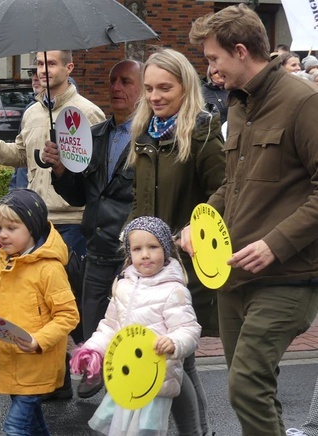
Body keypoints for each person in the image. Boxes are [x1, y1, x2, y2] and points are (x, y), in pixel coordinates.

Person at [187, 4, 318, 434]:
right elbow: (233, 184)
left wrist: (275, 244)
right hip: (233, 278)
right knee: (254, 389)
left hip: (288, 277)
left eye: (213, 59)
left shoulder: (304, 102)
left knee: (245, 386)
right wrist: (198, 223)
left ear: (241, 51)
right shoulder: (237, 105)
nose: (211, 70)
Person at [0, 50, 104, 399]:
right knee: (37, 303)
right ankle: (55, 382)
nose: (42, 70)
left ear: (69, 68)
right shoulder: (31, 112)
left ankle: (90, 363)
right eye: (40, 64)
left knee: (69, 300)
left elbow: (97, 173)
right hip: (36, 223)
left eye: (51, 64)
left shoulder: (86, 112)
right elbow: (18, 156)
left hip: (72, 222)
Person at [126, 48, 224, 436]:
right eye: (148, 88)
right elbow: (140, 201)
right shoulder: (143, 133)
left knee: (181, 362)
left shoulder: (201, 131)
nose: (155, 96)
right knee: (175, 364)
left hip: (188, 267)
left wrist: (190, 232)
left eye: (165, 87)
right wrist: (131, 246)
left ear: (186, 86)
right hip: (149, 264)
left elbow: (224, 192)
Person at [43, 59, 142, 399]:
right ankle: (96, 369)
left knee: (132, 324)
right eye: (113, 80)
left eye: (126, 81)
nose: (116, 88)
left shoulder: (151, 138)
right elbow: (77, 194)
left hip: (133, 252)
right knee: (93, 321)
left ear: (142, 89)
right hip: (97, 245)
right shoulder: (95, 135)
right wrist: (59, 169)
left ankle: (126, 392)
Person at [70, 216, 201, 436]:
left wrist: (174, 342)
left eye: (153, 247)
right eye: (137, 249)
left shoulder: (173, 290)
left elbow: (189, 329)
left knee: (145, 431)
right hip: (127, 377)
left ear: (166, 249)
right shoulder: (123, 285)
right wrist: (92, 349)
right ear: (129, 253)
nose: (145, 254)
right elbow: (110, 326)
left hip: (154, 380)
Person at [0, 188, 79, 436]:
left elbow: (68, 314)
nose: (2, 235)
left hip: (37, 363)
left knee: (15, 427)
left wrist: (38, 340)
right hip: (9, 362)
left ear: (32, 228)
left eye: (11, 228)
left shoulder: (49, 269)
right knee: (34, 425)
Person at [8, 61, 43, 191]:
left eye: (39, 71)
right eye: (32, 73)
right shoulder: (30, 109)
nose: (34, 78)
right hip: (25, 189)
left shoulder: (72, 110)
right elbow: (22, 151)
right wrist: (15, 188)